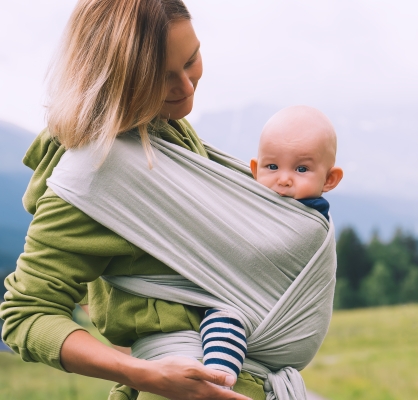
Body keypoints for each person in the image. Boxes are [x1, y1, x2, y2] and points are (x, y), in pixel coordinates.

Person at [0, 1, 261, 399]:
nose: (187, 87)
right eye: (161, 78)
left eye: (191, 60)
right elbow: (25, 314)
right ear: (114, 80)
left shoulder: (166, 131)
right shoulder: (97, 172)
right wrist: (145, 374)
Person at [200, 105, 343, 378]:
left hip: (259, 312)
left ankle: (219, 381)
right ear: (255, 170)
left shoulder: (311, 218)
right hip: (243, 296)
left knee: (224, 320)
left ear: (330, 179)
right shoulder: (254, 202)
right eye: (272, 166)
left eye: (301, 169)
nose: (284, 179)